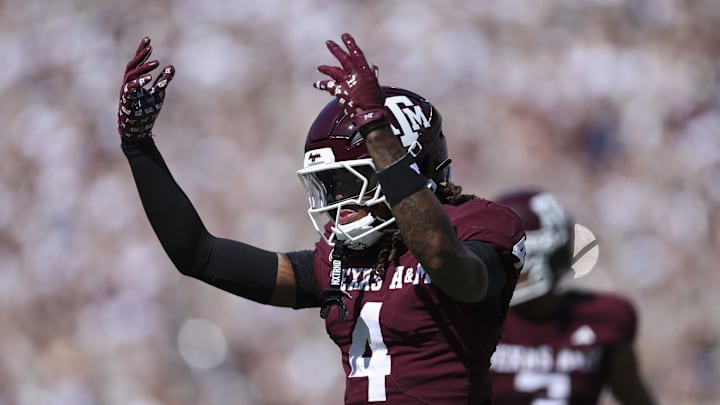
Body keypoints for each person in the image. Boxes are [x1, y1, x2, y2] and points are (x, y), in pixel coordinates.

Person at [116, 33, 526, 404]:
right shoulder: (339, 258)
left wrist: (375, 130)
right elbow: (199, 255)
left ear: (405, 164)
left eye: (354, 180)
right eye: (331, 185)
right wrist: (138, 147)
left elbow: (443, 260)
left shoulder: (481, 225)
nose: (339, 200)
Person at [488, 189, 656, 405]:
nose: (510, 269)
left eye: (520, 259)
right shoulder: (474, 321)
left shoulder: (604, 320)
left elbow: (632, 393)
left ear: (552, 255)